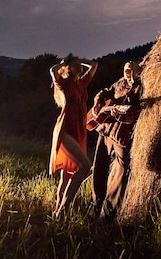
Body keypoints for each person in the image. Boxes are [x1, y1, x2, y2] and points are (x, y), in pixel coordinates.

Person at [90, 61, 142, 222]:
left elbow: (136, 112)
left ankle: (107, 215)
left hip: (122, 136)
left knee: (120, 175)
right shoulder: (120, 83)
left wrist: (119, 114)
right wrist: (97, 103)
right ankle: (95, 206)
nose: (128, 73)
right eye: (126, 70)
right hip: (105, 131)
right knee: (99, 168)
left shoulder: (141, 87)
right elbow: (105, 92)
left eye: (131, 70)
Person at [49, 54, 98, 218]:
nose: (80, 68)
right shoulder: (63, 83)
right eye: (76, 66)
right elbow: (52, 70)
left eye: (80, 66)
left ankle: (56, 209)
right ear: (68, 69)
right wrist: (65, 63)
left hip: (79, 129)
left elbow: (94, 64)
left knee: (67, 175)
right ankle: (63, 211)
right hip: (65, 128)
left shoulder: (82, 82)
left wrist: (79, 60)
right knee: (86, 167)